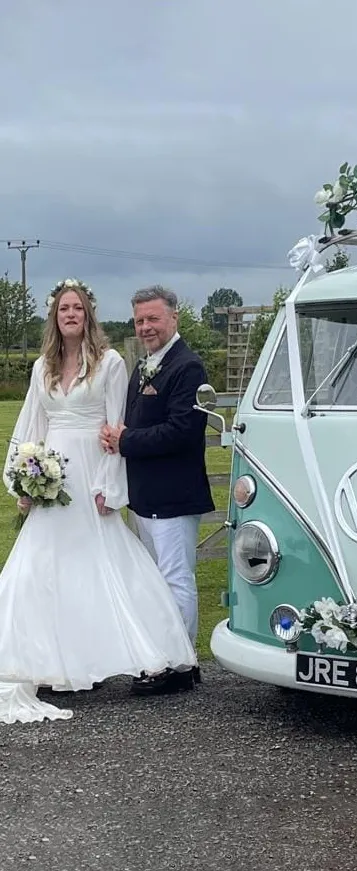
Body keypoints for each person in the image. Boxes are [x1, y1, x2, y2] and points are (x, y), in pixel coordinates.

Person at [0, 278, 199, 725]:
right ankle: (50, 662)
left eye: (78, 308)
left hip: (91, 472)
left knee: (104, 565)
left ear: (88, 314)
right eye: (63, 308)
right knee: (44, 570)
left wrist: (110, 487)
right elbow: (29, 426)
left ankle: (152, 654)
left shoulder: (109, 363)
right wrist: (21, 481)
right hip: (50, 473)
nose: (71, 314)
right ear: (54, 316)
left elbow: (116, 427)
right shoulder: (41, 367)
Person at [100, 285, 215, 695]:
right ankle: (161, 656)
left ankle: (181, 664)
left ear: (174, 318)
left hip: (174, 495)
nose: (146, 327)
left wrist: (125, 441)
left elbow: (183, 431)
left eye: (153, 318)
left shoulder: (188, 367)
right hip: (145, 496)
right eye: (139, 320)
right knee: (153, 580)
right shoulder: (145, 365)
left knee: (175, 578)